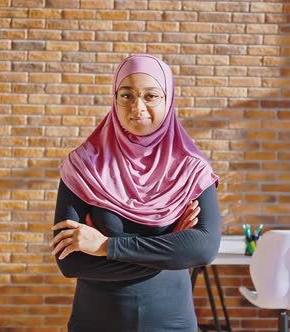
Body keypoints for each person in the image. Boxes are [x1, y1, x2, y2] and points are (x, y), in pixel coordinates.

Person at [50, 54, 221, 332]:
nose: (137, 107)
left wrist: (105, 246)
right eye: (127, 95)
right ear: (114, 99)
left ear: (168, 99)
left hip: (172, 323)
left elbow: (203, 249)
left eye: (151, 96)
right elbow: (70, 263)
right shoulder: (82, 166)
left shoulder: (191, 169)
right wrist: (171, 249)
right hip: (95, 323)